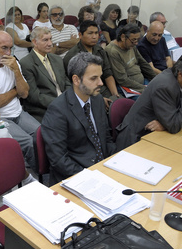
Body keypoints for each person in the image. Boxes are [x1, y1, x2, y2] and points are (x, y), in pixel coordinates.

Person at [116, 48, 182, 150]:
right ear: (181, 74)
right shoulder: (165, 86)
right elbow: (174, 125)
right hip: (137, 140)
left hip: (157, 136)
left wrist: (166, 124)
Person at [41, 53, 118, 185]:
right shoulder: (58, 110)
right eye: (94, 78)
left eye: (100, 77)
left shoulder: (97, 99)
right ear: (76, 80)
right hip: (76, 175)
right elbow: (59, 160)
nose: (100, 83)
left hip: (102, 168)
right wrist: (90, 177)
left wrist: (115, 161)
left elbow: (106, 137)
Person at [0, 31, 39, 170]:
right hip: (0, 118)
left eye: (11, 48)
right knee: (28, 142)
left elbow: (25, 93)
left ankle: (36, 165)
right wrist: (15, 91)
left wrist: (16, 70)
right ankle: (41, 176)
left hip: (18, 113)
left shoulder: (13, 64)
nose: (8, 52)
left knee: (41, 133)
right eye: (4, 48)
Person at [20, 27, 71, 122]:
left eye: (51, 39)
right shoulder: (26, 63)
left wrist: (69, 98)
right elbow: (34, 96)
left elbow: (67, 83)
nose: (50, 43)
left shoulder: (57, 59)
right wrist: (60, 102)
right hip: (44, 109)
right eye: (45, 40)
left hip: (65, 103)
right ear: (35, 42)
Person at [64, 20, 120, 103]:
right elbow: (75, 85)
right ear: (80, 35)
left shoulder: (100, 51)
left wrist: (115, 94)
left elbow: (107, 73)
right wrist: (99, 100)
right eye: (90, 33)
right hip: (86, 93)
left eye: (96, 33)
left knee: (120, 104)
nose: (94, 37)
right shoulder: (73, 56)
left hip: (102, 89)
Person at [105, 24, 157, 95]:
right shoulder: (113, 51)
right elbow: (122, 79)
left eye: (138, 40)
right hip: (127, 87)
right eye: (133, 40)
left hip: (142, 82)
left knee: (159, 91)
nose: (136, 43)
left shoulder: (131, 45)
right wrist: (144, 89)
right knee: (149, 99)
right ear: (123, 37)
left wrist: (155, 78)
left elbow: (143, 63)